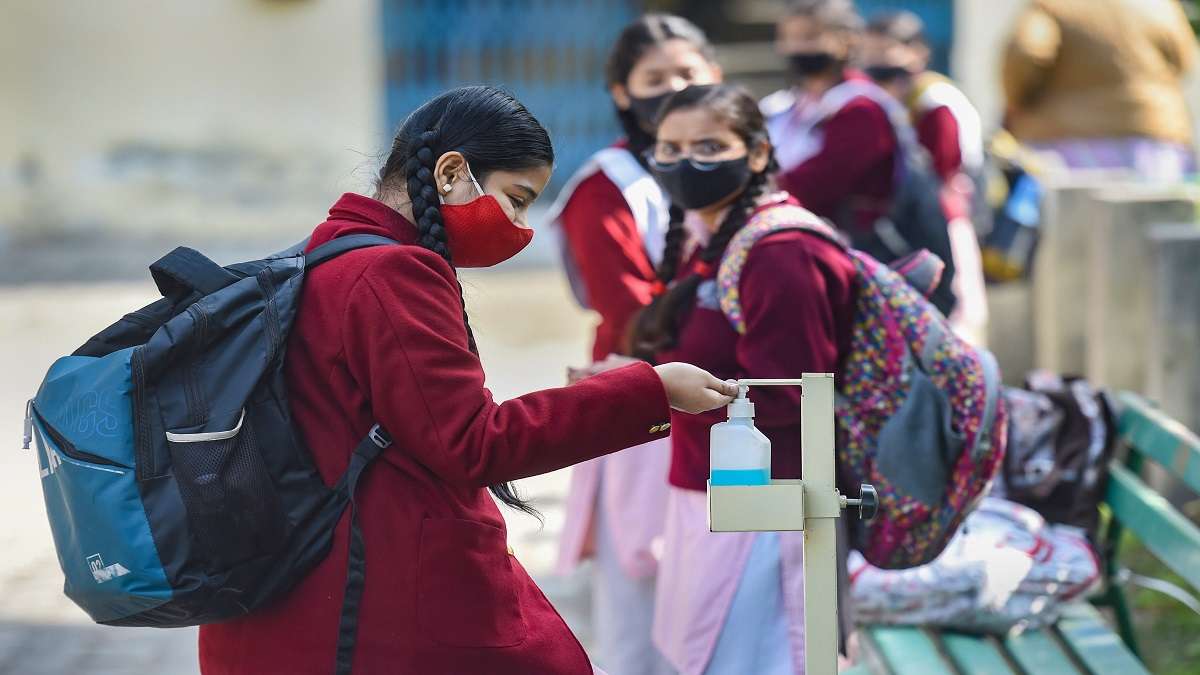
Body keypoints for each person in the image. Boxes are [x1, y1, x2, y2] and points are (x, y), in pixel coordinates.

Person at [197, 85, 738, 675]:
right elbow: (474, 442)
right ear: (452, 172)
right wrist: (651, 390)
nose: (522, 227)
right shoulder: (393, 272)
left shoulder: (325, 254)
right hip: (377, 603)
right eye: (517, 199)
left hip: (298, 599)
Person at [630, 83, 858, 675]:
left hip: (768, 508)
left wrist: (670, 391)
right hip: (712, 495)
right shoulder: (716, 239)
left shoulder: (782, 251)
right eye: (670, 149)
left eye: (709, 147)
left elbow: (794, 392)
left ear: (757, 153)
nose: (686, 164)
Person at [547, 14, 722, 675]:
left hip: (731, 404)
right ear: (622, 92)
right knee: (642, 595)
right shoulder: (606, 186)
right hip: (646, 403)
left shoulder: (740, 171)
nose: (674, 88)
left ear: (716, 77)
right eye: (655, 78)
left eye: (688, 73)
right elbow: (630, 315)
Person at [861, 10, 989, 345]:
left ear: (917, 53)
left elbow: (944, 168)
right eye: (869, 53)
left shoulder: (936, 101)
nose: (875, 62)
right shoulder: (881, 100)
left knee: (955, 320)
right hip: (901, 226)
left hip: (943, 221)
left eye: (885, 51)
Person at [1003, 0, 1196, 180]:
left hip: (1068, 147)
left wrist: (1016, 101)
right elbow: (1185, 61)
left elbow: (1026, 52)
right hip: (1156, 149)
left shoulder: (1054, 5)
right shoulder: (1159, 4)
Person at [762, 0, 897, 234]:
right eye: (787, 38)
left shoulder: (863, 107)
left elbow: (819, 184)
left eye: (809, 37)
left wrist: (754, 192)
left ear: (847, 40)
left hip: (847, 240)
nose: (794, 47)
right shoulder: (783, 105)